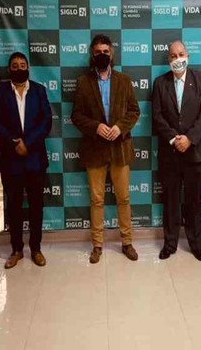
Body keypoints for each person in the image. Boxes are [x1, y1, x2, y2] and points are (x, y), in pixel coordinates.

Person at [71, 34, 140, 264]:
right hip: (95, 148)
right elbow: (76, 115)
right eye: (98, 52)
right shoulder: (83, 82)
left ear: (112, 54)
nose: (102, 55)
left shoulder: (124, 80)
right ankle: (97, 245)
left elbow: (134, 111)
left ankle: (127, 242)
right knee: (97, 200)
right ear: (92, 55)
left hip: (120, 147)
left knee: (124, 198)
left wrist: (120, 127)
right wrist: (96, 127)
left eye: (106, 52)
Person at [0, 52, 52, 269]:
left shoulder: (39, 90)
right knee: (14, 207)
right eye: (14, 65)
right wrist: (14, 143)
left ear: (28, 68)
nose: (19, 68)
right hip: (10, 158)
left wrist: (28, 143)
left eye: (22, 65)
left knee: (36, 207)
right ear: (9, 69)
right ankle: (16, 249)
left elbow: (46, 121)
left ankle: (36, 248)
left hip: (35, 158)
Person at [151, 41, 201, 261]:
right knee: (171, 201)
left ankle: (197, 245)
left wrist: (189, 139)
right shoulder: (160, 83)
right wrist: (173, 139)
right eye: (173, 55)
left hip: (194, 153)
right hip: (170, 154)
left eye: (181, 54)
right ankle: (170, 244)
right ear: (168, 60)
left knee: (194, 201)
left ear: (188, 56)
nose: (178, 59)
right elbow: (157, 116)